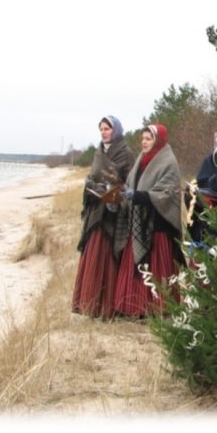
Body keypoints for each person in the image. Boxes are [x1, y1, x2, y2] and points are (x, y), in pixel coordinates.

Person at [113, 124, 184, 317]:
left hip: (158, 224)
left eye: (148, 138)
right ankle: (133, 307)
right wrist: (120, 193)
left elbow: (166, 194)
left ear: (158, 140)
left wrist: (138, 195)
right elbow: (130, 185)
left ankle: (159, 308)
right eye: (142, 138)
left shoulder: (168, 162)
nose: (144, 142)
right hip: (138, 223)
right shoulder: (140, 161)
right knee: (136, 265)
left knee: (156, 266)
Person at [72, 116, 134, 318]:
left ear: (115, 130)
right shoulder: (99, 152)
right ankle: (88, 304)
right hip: (96, 211)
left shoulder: (125, 153)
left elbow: (129, 182)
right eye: (101, 129)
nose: (104, 132)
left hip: (112, 214)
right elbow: (93, 176)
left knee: (108, 255)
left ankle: (106, 307)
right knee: (92, 253)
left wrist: (114, 189)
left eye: (107, 128)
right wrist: (91, 185)